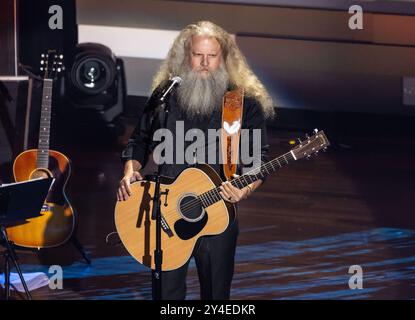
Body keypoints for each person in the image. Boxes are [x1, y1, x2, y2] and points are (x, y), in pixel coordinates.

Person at [117, 21, 275, 300]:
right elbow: (139, 142)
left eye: (211, 56)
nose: (204, 63)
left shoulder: (243, 103)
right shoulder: (165, 97)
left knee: (216, 295)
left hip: (217, 213)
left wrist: (244, 188)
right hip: (166, 210)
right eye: (197, 55)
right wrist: (130, 171)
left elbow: (258, 160)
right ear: (185, 56)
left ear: (224, 59)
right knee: (167, 295)